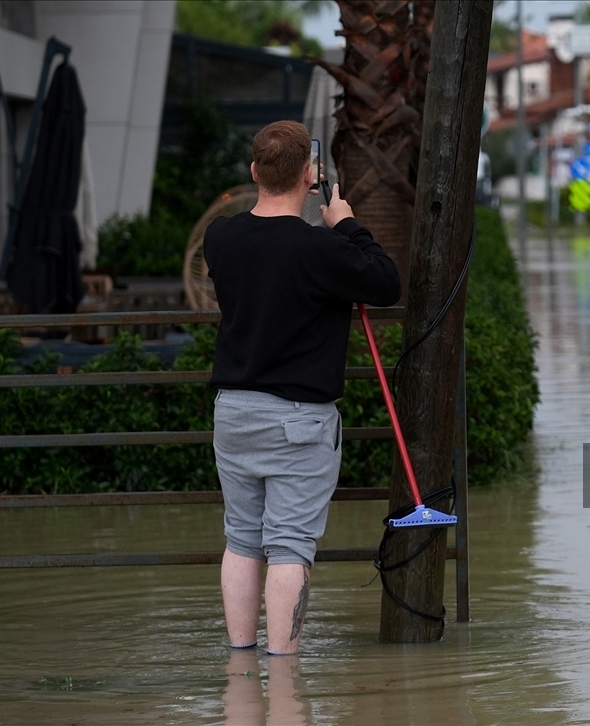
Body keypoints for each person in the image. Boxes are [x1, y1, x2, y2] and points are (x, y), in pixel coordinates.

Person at [205, 120, 401, 655]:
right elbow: (385, 281)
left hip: (233, 412)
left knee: (241, 538)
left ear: (254, 171)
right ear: (311, 176)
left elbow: (264, 262)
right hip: (299, 421)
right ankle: (283, 670)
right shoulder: (322, 249)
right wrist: (346, 224)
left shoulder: (219, 237)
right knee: (289, 545)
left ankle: (241, 669)